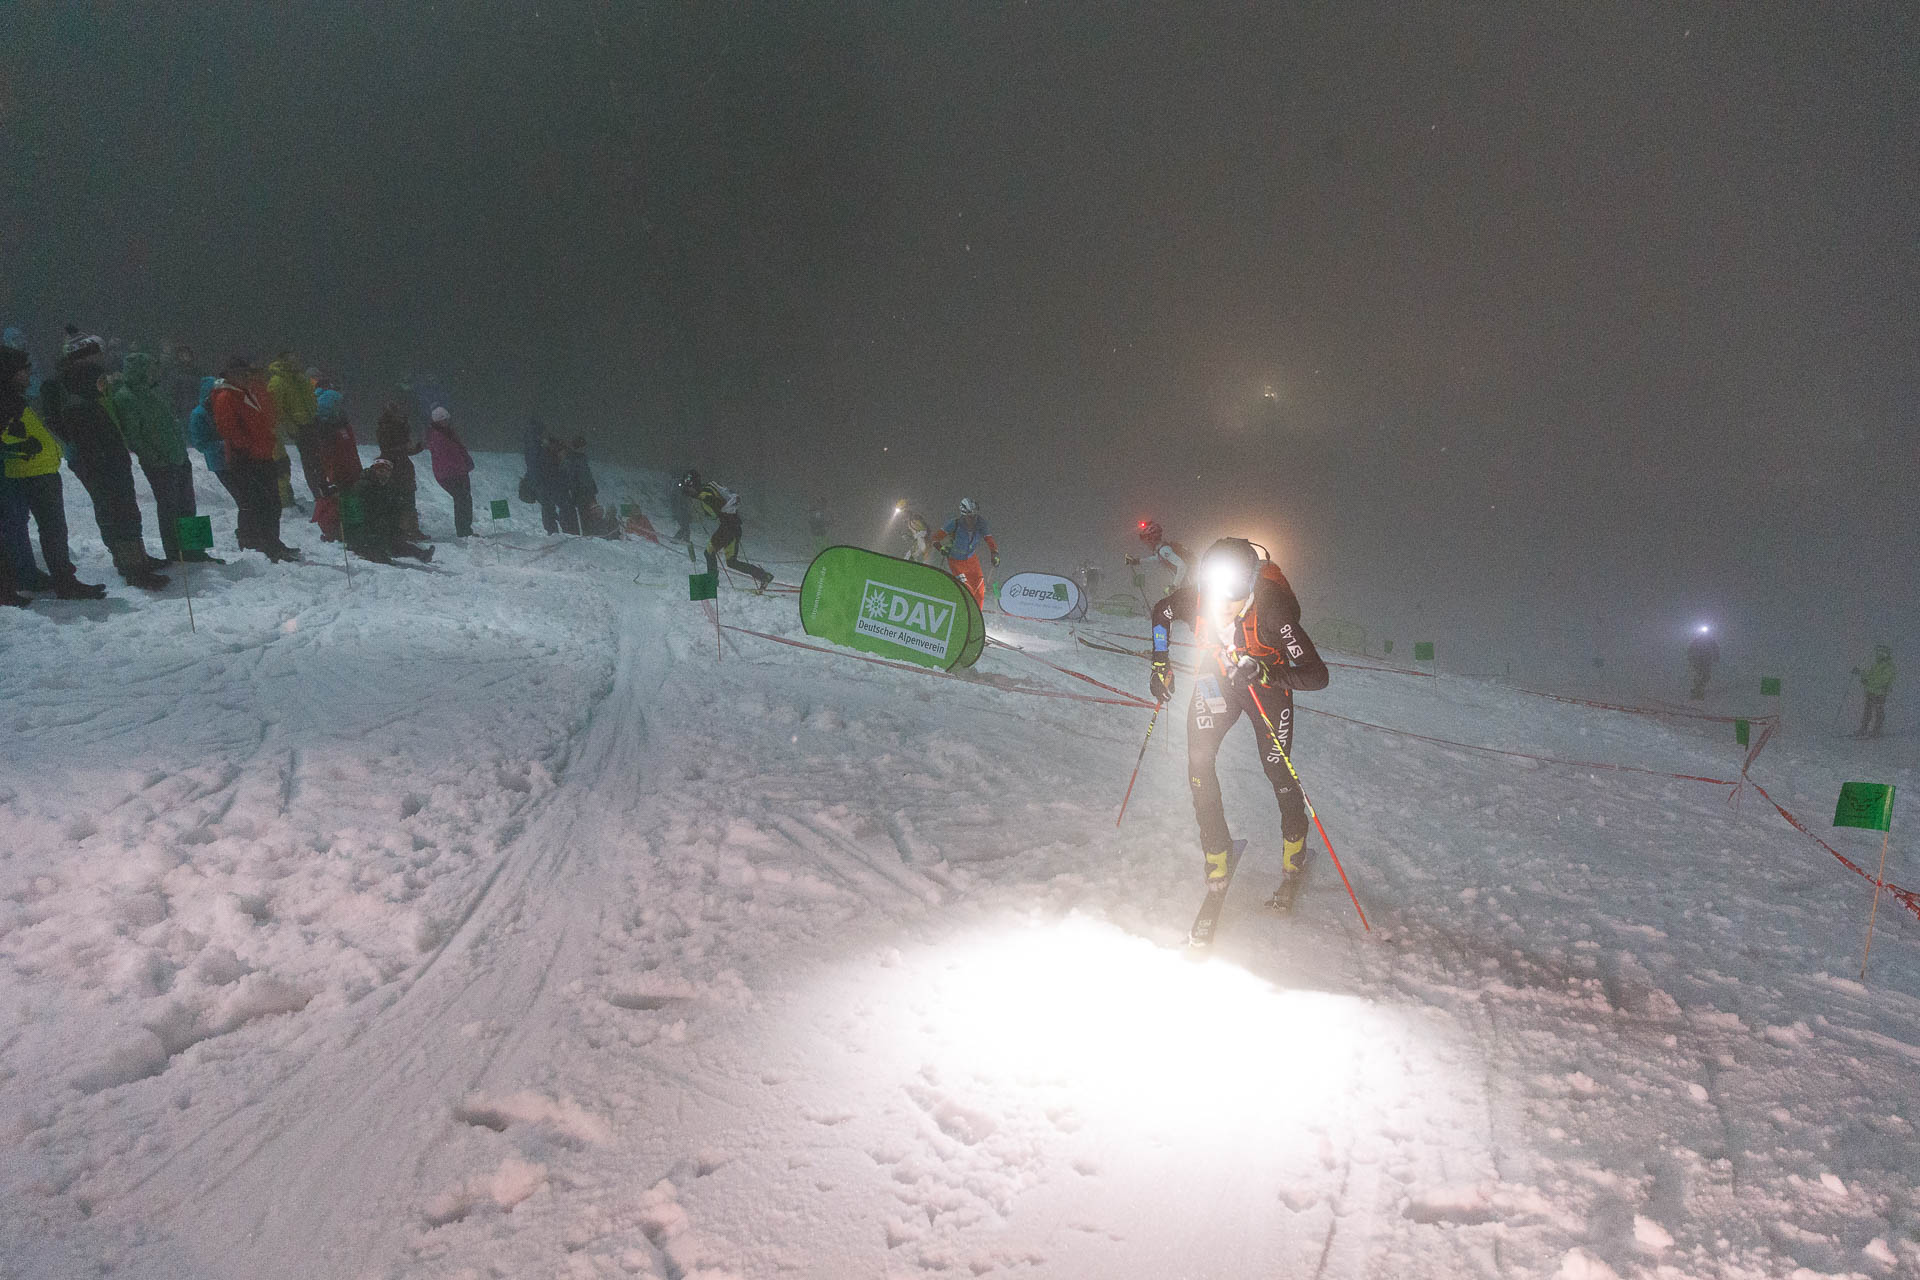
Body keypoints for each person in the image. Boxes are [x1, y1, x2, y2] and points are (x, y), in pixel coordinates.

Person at [1148, 537, 1330, 916]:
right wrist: (1160, 664)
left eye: (1234, 593)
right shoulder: (1198, 599)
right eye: (1215, 592)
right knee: (1198, 763)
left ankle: (1294, 845)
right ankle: (1216, 849)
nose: (1223, 604)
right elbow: (1162, 612)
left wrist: (1268, 671)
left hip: (1266, 686)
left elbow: (1316, 675)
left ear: (1250, 586)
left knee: (1276, 766)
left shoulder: (1274, 612)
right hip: (1216, 679)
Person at [43, 327, 169, 589]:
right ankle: (131, 564)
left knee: (122, 506)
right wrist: (87, 447)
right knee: (115, 507)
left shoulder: (90, 382)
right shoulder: (70, 387)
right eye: (96, 355)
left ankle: (136, 557)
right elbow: (63, 422)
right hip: (94, 456)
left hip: (108, 450)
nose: (101, 360)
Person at [1, 345, 104, 600]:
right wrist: (20, 446)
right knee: (50, 529)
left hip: (38, 469)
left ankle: (53, 578)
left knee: (46, 529)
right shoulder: (7, 400)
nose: (29, 374)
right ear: (11, 373)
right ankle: (62, 581)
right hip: (31, 471)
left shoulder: (15, 396)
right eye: (25, 370)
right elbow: (7, 436)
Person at [109, 352, 217, 563]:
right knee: (169, 508)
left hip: (178, 457)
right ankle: (176, 553)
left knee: (188, 505)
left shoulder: (156, 391)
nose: (154, 373)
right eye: (150, 369)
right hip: (159, 464)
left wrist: (180, 451)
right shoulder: (126, 397)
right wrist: (155, 458)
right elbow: (134, 435)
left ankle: (196, 550)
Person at [211, 356, 299, 561]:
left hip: (263, 455)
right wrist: (248, 447)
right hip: (247, 458)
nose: (244, 377)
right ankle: (262, 544)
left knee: (272, 502)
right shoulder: (226, 396)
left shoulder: (245, 393)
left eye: (246, 373)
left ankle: (272, 542)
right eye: (240, 373)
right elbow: (229, 429)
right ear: (230, 375)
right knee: (259, 503)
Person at [679, 469, 772, 590]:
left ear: (692, 483)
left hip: (728, 528)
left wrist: (695, 495)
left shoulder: (705, 492)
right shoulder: (708, 489)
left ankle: (711, 583)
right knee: (732, 562)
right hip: (734, 528)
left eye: (688, 483)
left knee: (709, 552)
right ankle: (764, 576)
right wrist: (696, 496)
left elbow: (717, 503)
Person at [343, 457, 435, 563]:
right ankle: (372, 552)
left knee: (395, 543)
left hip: (377, 530)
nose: (384, 474)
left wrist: (395, 529)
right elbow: (355, 515)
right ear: (374, 470)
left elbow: (390, 512)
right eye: (381, 471)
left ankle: (420, 554)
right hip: (362, 533)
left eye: (387, 472)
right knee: (380, 550)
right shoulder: (363, 486)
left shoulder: (387, 488)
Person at [268, 351, 328, 505]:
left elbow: (310, 398)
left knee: (319, 460)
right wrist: (291, 426)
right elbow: (277, 410)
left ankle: (324, 492)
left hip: (312, 423)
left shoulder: (300, 378)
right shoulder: (278, 381)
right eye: (292, 359)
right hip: (299, 427)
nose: (296, 362)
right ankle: (319, 495)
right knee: (310, 462)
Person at [311, 388, 363, 542]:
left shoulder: (343, 425)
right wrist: (328, 477)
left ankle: (352, 530)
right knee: (338, 503)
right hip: (338, 473)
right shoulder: (325, 430)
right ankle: (336, 533)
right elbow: (324, 457)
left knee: (353, 500)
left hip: (351, 469)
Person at [374, 402, 427, 540]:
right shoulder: (387, 428)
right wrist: (406, 448)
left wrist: (413, 449)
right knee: (400, 498)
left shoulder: (395, 427)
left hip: (401, 466)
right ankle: (403, 529)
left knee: (407, 497)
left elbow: (402, 449)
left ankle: (410, 528)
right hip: (395, 467)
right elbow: (390, 449)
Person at [934, 497, 998, 609]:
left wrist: (994, 553)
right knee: (967, 591)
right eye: (970, 516)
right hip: (956, 561)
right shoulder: (954, 524)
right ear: (963, 515)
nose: (973, 519)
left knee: (980, 592)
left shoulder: (980, 523)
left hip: (972, 561)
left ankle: (977, 617)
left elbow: (989, 539)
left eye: (975, 515)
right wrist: (941, 548)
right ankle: (961, 612)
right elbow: (935, 538)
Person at [425, 406, 475, 537]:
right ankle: (464, 530)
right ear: (438, 421)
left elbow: (459, 450)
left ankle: (465, 529)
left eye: (447, 419)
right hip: (450, 474)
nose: (447, 422)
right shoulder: (438, 436)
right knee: (462, 499)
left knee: (464, 499)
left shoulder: (447, 433)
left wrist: (466, 464)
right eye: (444, 420)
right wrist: (463, 466)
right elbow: (449, 457)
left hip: (457, 472)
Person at [1125, 519, 1191, 588]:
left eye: (1146, 541)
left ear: (1151, 539)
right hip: (1188, 583)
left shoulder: (1164, 550)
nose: (1146, 544)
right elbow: (1155, 558)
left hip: (1189, 584)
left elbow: (1182, 566)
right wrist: (1137, 561)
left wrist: (1174, 585)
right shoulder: (1161, 551)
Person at [1852, 646, 1895, 739]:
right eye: (1878, 652)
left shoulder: (1888, 667)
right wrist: (1861, 674)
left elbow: (1881, 680)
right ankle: (1864, 729)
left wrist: (1867, 679)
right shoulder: (1877, 664)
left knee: (1879, 711)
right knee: (1867, 710)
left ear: (1886, 655)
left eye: (1882, 653)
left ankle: (1877, 731)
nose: (1879, 655)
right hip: (1871, 691)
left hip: (1880, 693)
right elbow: (1870, 675)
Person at [1687, 626, 1720, 700]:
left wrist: (1716, 657)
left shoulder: (1710, 641)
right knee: (1700, 675)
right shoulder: (1697, 640)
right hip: (1698, 660)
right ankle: (1698, 690)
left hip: (1706, 660)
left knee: (1705, 676)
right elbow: (1690, 649)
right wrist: (1690, 658)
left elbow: (1715, 648)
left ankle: (1698, 688)